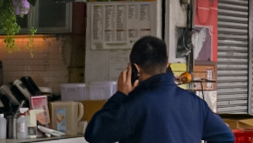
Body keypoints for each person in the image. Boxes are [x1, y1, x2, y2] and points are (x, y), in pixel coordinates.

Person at [85, 36, 234, 143]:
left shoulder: (134, 106)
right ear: (167, 63)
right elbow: (226, 137)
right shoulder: (196, 104)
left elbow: (94, 134)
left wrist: (121, 94)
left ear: (135, 69)